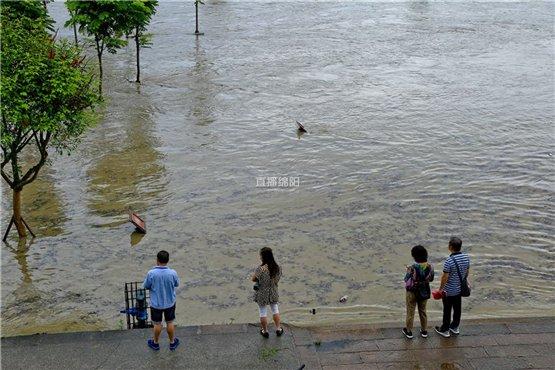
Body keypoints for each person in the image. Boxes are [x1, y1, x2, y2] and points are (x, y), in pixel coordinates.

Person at [143, 250, 180, 350]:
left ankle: (155, 343)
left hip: (156, 304)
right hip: (170, 303)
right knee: (170, 322)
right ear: (168, 260)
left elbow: (146, 286)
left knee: (157, 324)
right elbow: (177, 284)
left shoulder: (151, 273)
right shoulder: (172, 273)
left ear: (157, 260)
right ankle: (172, 342)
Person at [435, 237, 471, 338]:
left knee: (447, 310)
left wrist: (440, 289)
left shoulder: (449, 261)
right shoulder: (466, 257)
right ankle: (455, 327)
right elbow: (467, 271)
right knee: (457, 308)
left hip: (448, 291)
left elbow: (445, 277)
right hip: (459, 289)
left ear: (450, 247)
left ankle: (445, 329)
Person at [402, 245, 434, 339]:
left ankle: (409, 331)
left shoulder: (413, 267)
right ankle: (424, 331)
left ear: (414, 256)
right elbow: (431, 279)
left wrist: (408, 271)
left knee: (410, 311)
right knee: (423, 311)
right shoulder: (430, 267)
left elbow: (406, 279)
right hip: (424, 291)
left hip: (412, 291)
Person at [251, 247, 283, 338]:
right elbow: (277, 280)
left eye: (261, 256)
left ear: (264, 257)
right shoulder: (278, 268)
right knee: (275, 309)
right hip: (273, 291)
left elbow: (253, 279)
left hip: (262, 293)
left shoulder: (261, 269)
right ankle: (278, 329)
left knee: (263, 312)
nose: (260, 257)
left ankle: (265, 331)